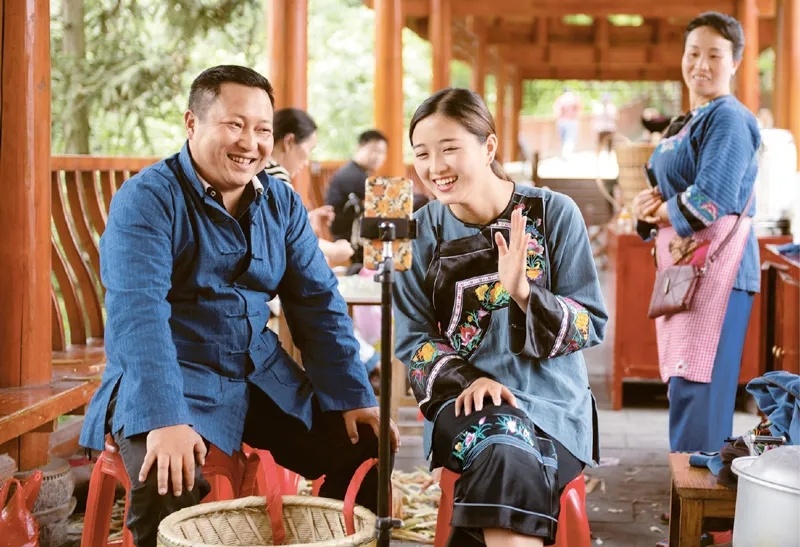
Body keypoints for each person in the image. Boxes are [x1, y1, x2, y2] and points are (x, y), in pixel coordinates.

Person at [78, 65, 399, 547]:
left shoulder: (281, 203)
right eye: (234, 124)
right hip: (171, 374)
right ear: (192, 123)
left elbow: (317, 303)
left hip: (257, 373)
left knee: (368, 445)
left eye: (262, 129)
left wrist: (353, 395)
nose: (250, 142)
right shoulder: (146, 199)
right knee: (169, 476)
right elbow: (138, 315)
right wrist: (164, 418)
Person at [393, 87, 607, 547]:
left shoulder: (553, 214)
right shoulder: (419, 232)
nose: (435, 167)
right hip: (463, 403)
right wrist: (470, 380)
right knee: (503, 445)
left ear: (488, 147)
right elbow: (413, 340)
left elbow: (590, 322)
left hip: (553, 408)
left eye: (450, 149)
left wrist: (526, 294)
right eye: (422, 154)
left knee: (511, 451)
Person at [632, 12, 761, 454]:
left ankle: (701, 494)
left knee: (700, 386)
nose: (701, 65)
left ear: (735, 63)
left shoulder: (729, 119)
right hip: (688, 268)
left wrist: (660, 210)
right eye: (693, 53)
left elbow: (710, 200)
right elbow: (669, 190)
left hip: (719, 270)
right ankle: (688, 489)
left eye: (714, 55)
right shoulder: (688, 120)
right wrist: (647, 208)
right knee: (685, 383)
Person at [267, 107, 354, 265]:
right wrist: (335, 250)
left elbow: (276, 222)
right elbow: (288, 238)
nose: (307, 161)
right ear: (289, 141)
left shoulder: (263, 170)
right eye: (309, 149)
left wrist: (307, 218)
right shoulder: (276, 176)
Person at [325, 129, 388, 265]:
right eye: (374, 150)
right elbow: (384, 201)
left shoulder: (359, 173)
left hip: (355, 239)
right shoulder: (352, 175)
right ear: (359, 147)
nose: (378, 156)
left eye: (382, 152)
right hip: (348, 242)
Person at [553, 87, 582, 159]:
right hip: (571, 121)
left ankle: (565, 154)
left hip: (562, 122)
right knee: (570, 139)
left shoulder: (560, 99)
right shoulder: (574, 98)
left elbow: (557, 111)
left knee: (564, 139)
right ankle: (566, 155)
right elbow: (579, 109)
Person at [591, 92, 618, 157]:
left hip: (607, 128)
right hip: (603, 128)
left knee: (607, 144)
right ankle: (599, 157)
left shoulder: (610, 107)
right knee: (600, 144)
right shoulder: (603, 107)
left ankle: (606, 156)